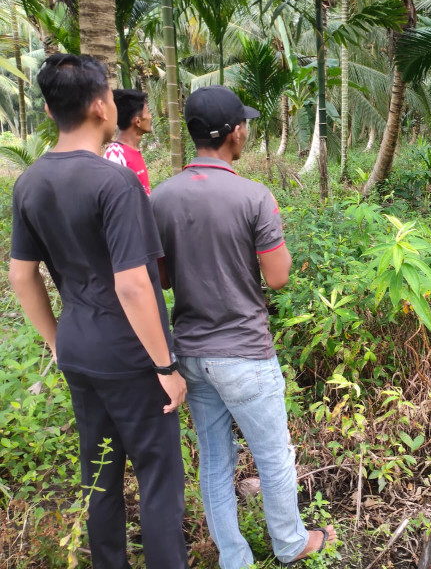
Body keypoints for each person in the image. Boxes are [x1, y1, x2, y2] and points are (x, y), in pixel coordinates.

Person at [8, 54, 188, 568]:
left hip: (79, 349)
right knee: (157, 477)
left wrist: (58, 341)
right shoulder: (116, 184)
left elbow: (22, 276)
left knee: (100, 475)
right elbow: (133, 284)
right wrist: (165, 367)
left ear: (48, 110)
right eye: (110, 92)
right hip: (132, 356)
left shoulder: (29, 183)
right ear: (98, 106)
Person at [150, 86, 337, 569]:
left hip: (190, 351)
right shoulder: (255, 196)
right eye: (244, 124)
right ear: (235, 133)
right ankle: (291, 543)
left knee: (215, 458)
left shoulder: (161, 198)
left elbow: (163, 277)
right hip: (244, 353)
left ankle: (234, 557)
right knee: (273, 454)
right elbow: (277, 277)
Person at [103, 88, 153, 194]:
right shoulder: (116, 156)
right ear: (138, 121)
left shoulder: (134, 150)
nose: (150, 116)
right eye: (148, 112)